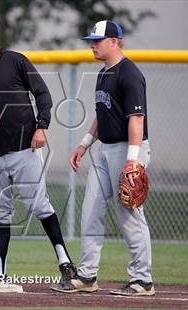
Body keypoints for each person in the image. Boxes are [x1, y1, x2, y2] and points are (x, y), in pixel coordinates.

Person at [0, 20, 77, 285]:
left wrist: (42, 127)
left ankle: (65, 263)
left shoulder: (15, 61)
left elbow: (42, 94)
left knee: (40, 205)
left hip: (23, 148)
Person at [54, 20, 155, 296]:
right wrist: (84, 144)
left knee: (129, 215)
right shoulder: (104, 73)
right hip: (104, 150)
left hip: (128, 148)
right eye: (92, 40)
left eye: (98, 40)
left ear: (114, 41)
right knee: (90, 212)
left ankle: (142, 280)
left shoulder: (129, 73)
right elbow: (103, 112)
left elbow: (136, 118)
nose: (92, 45)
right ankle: (87, 276)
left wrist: (133, 160)